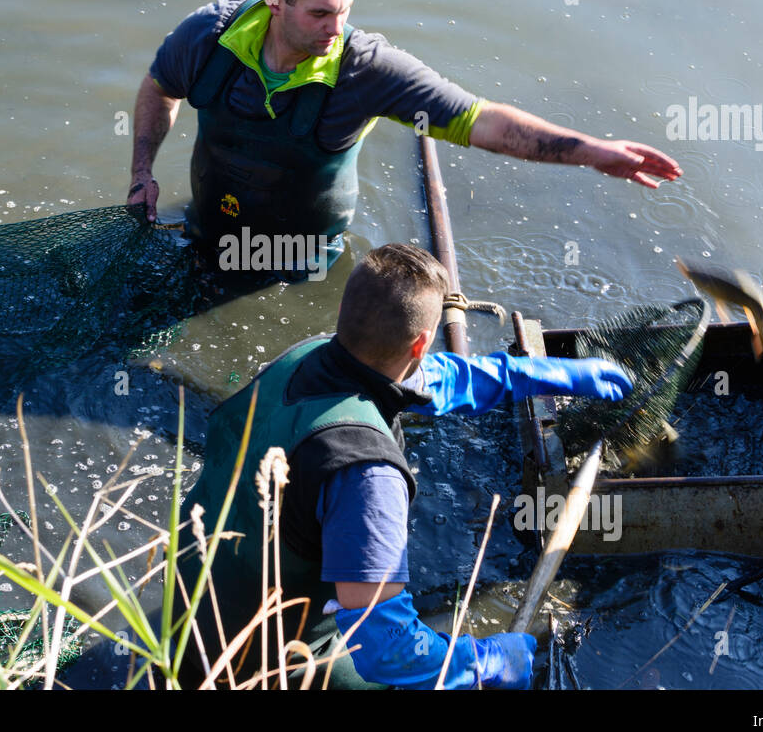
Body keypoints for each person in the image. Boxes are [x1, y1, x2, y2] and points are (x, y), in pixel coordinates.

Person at [180, 243, 632, 689]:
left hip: (180, 603)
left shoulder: (310, 355)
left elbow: (441, 379)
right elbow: (389, 650)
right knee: (413, 674)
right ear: (420, 342)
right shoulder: (365, 473)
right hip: (243, 660)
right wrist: (485, 660)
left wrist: (543, 373)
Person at [128, 0, 682, 270]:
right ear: (274, 1)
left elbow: (479, 120)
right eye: (320, 13)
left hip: (301, 260)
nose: (336, 27)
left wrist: (592, 151)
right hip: (209, 231)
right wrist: (142, 172)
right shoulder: (210, 36)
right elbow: (159, 87)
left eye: (344, 10)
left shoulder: (365, 70)